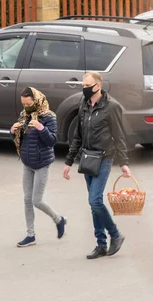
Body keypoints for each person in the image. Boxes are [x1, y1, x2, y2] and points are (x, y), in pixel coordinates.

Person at [63, 71, 131, 260]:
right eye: (83, 85)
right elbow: (78, 135)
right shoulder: (83, 105)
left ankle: (115, 234)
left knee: (95, 200)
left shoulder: (112, 107)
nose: (84, 89)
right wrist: (69, 161)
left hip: (103, 158)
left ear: (97, 86)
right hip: (87, 158)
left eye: (87, 86)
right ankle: (101, 244)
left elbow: (119, 136)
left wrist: (123, 163)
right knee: (94, 204)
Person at [11, 87, 66, 248]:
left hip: (42, 163)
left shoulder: (49, 117)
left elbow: (52, 141)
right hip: (27, 163)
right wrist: (13, 131)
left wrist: (41, 128)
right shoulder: (24, 115)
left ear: (37, 100)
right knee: (27, 200)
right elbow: (21, 139)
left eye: (29, 103)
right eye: (23, 104)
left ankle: (58, 219)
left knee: (37, 200)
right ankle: (30, 235)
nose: (26, 106)